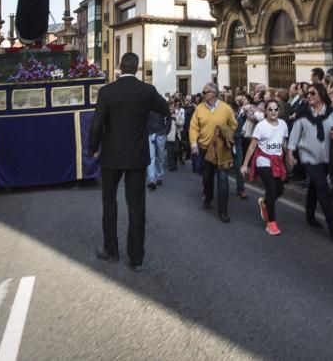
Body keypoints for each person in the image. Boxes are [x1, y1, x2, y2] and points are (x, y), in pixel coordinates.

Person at [89, 53, 170, 270]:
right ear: (137, 68)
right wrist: (158, 126)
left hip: (111, 155)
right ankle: (136, 259)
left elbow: (97, 123)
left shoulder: (107, 92)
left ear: (119, 67)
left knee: (109, 201)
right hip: (137, 155)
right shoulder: (147, 91)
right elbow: (164, 108)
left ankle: (111, 250)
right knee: (136, 207)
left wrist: (93, 148)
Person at [287, 83, 333, 241]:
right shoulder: (303, 113)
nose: (309, 96)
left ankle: (309, 215)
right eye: (308, 94)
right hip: (308, 156)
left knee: (314, 186)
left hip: (326, 156)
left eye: (312, 93)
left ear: (321, 95)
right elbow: (295, 134)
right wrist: (290, 152)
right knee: (322, 186)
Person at [190, 83, 238, 223]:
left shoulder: (226, 109)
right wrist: (193, 143)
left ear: (213, 93)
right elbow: (194, 128)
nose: (203, 94)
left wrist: (225, 131)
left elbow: (234, 124)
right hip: (205, 148)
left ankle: (223, 211)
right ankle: (208, 196)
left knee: (223, 180)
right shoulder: (199, 109)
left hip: (222, 149)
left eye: (205, 92)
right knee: (207, 177)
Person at [241, 98, 288, 235]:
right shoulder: (261, 126)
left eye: (276, 109)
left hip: (277, 160)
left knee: (280, 189)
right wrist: (245, 165)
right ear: (265, 111)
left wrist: (290, 155)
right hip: (263, 160)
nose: (273, 112)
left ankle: (265, 203)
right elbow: (252, 146)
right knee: (272, 190)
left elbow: (283, 142)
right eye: (270, 109)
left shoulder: (283, 125)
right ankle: (271, 223)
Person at [146, 110, 170, 190]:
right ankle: (152, 179)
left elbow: (169, 118)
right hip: (150, 133)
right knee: (151, 156)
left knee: (161, 157)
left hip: (161, 133)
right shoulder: (148, 104)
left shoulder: (162, 104)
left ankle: (159, 175)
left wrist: (166, 130)